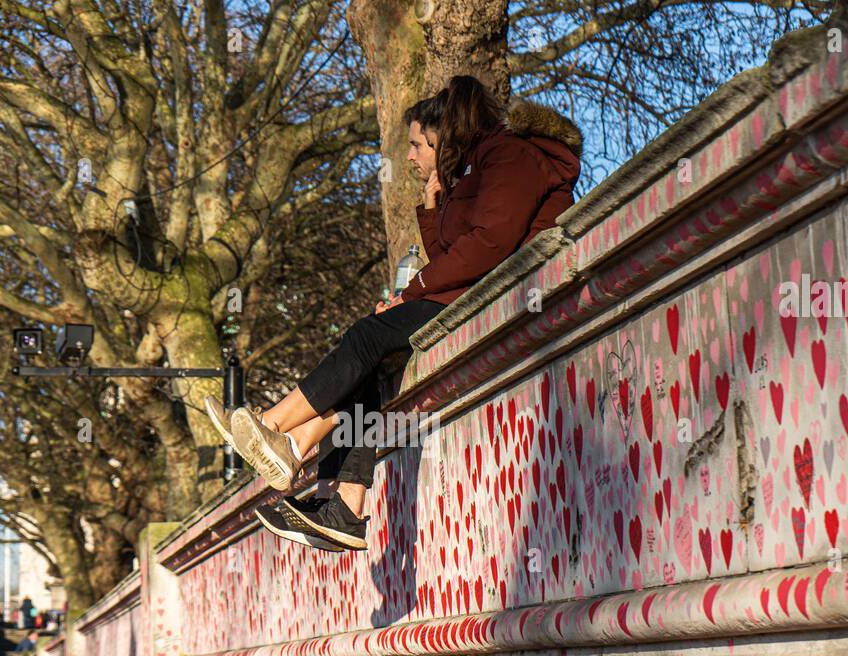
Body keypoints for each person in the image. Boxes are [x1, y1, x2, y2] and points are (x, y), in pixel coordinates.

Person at [205, 75, 581, 551]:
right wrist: (431, 205)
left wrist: (414, 289)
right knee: (367, 359)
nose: (408, 156)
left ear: (445, 132)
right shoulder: (474, 170)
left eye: (416, 143)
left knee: (366, 338)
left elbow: (489, 243)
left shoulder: (508, 156)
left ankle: (279, 429)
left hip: (505, 297)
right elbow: (455, 248)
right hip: (475, 294)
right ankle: (341, 503)